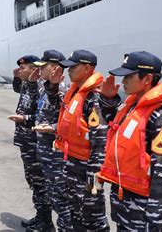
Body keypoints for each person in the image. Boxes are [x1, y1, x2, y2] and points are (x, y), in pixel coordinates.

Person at [97, 51, 162, 231]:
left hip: (142, 211)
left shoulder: (159, 118)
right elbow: (119, 132)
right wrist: (108, 100)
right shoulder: (133, 108)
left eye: (129, 76)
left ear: (147, 79)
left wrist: (159, 219)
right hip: (125, 206)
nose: (124, 80)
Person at [51, 50, 110, 231]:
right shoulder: (75, 92)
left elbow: (99, 141)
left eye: (73, 67)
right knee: (76, 216)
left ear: (86, 68)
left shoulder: (92, 98)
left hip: (85, 171)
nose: (68, 71)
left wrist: (93, 179)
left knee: (93, 219)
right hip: (71, 166)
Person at [26, 50, 72, 231]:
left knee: (63, 201)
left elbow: (69, 123)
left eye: (43, 67)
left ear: (55, 68)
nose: (40, 71)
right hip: (44, 152)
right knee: (53, 197)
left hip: (56, 155)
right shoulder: (46, 89)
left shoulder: (63, 91)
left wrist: (52, 128)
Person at [8, 55, 53, 231]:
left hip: (35, 143)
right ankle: (40, 216)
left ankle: (46, 222)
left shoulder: (41, 87)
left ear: (34, 69)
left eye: (23, 68)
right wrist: (17, 78)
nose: (20, 70)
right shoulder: (27, 84)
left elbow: (43, 117)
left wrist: (24, 119)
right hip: (26, 143)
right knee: (34, 182)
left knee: (40, 183)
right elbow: (17, 88)